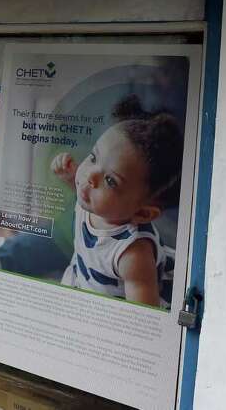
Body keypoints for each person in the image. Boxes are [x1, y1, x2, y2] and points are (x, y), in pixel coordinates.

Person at [49, 96, 181, 307]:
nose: (90, 178)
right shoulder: (95, 200)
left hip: (107, 311)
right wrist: (69, 178)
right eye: (93, 158)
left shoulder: (133, 254)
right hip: (82, 278)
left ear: (143, 214)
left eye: (110, 180)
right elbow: (85, 187)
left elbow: (142, 316)